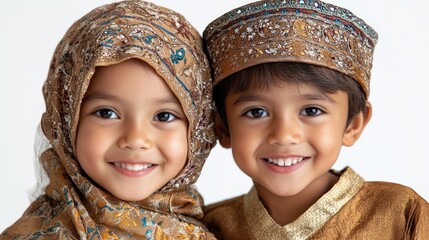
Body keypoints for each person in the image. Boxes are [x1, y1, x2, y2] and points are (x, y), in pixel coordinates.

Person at [202, 0, 429, 239]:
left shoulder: (401, 214)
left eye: (311, 111)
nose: (284, 135)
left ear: (353, 124)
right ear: (222, 128)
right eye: (256, 112)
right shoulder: (207, 228)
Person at [1, 1, 216, 239]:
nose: (135, 139)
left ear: (199, 129)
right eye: (107, 113)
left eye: (164, 116)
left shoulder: (217, 228)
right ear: (64, 121)